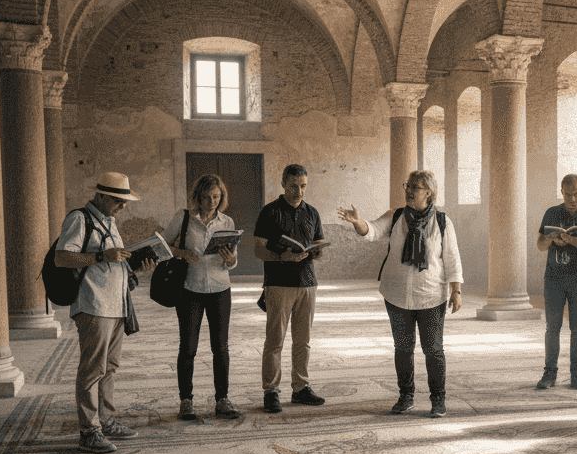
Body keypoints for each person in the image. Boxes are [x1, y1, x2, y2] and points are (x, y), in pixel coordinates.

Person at [338, 170, 462, 418]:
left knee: (433, 350)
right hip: (397, 296)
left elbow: (452, 258)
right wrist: (357, 223)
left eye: (415, 187)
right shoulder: (396, 216)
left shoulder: (442, 221)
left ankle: (438, 399)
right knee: (403, 349)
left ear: (429, 192)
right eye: (408, 185)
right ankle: (406, 396)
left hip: (431, 296)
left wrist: (456, 290)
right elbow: (371, 230)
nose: (408, 190)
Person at [55, 172, 157, 453]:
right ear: (100, 196)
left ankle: (108, 421)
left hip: (115, 305)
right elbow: (62, 257)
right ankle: (88, 432)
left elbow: (114, 265)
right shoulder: (79, 218)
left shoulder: (110, 222)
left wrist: (136, 266)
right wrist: (101, 256)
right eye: (117, 201)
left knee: (109, 368)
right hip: (93, 304)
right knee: (92, 369)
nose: (123, 207)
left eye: (125, 202)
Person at [162, 174, 240, 421]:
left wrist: (231, 260)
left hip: (220, 288)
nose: (211, 202)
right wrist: (182, 252)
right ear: (198, 197)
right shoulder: (184, 218)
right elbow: (162, 245)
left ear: (222, 197)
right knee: (188, 347)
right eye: (206, 197)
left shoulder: (227, 221)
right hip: (190, 289)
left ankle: (222, 400)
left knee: (221, 347)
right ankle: (186, 401)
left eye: (216, 197)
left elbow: (232, 261)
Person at [254, 164, 327, 414]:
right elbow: (258, 249)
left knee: (303, 341)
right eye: (294, 186)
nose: (299, 191)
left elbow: (318, 245)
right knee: (275, 340)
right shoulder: (270, 212)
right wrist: (281, 257)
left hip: (307, 282)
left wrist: (317, 252)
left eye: (303, 186)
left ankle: (300, 388)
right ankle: (271, 391)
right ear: (283, 184)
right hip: (278, 283)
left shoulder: (312, 212)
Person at [535, 174, 577, 390]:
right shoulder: (552, 213)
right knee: (552, 327)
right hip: (554, 277)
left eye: (576, 194)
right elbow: (540, 246)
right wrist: (550, 238)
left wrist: (573, 241)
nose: (572, 198)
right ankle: (549, 373)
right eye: (568, 194)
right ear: (561, 192)